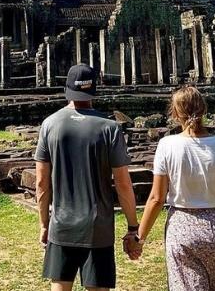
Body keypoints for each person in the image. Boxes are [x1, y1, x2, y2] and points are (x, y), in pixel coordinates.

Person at [35, 64, 142, 291]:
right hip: (98, 227)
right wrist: (133, 227)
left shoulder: (49, 125)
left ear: (67, 90)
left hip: (61, 224)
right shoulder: (110, 128)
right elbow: (123, 184)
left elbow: (42, 184)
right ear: (94, 89)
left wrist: (44, 224)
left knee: (60, 286)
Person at [136, 86, 215, 290]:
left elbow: (156, 198)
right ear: (204, 109)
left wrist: (139, 238)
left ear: (175, 113)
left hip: (182, 228)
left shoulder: (167, 145)